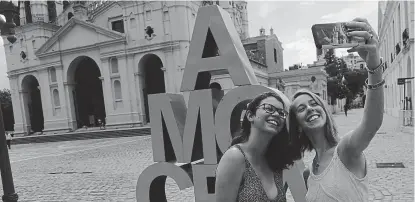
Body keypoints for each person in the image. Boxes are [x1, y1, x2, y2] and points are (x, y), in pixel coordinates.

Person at [288, 18, 384, 202]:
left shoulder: (345, 150)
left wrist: (373, 67)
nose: (310, 108)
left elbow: (372, 123)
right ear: (297, 125)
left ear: (324, 111)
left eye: (315, 103)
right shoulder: (309, 173)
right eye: (301, 108)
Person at [215, 91, 302, 202]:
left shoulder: (275, 159)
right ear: (250, 116)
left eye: (281, 113)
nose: (276, 114)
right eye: (269, 108)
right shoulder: (235, 157)